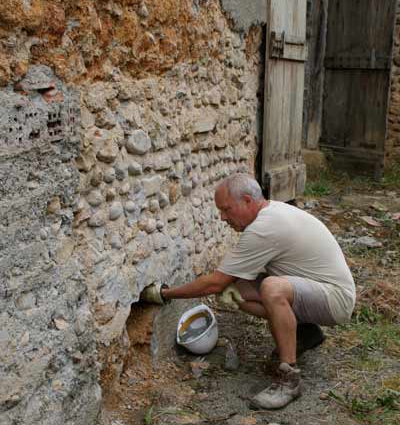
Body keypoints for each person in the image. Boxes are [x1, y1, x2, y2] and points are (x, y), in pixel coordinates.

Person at [141, 173, 356, 409]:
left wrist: (165, 294)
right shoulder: (270, 213)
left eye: (226, 209)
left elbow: (215, 283)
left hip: (336, 300)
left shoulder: (264, 227)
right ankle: (305, 333)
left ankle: (289, 380)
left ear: (247, 200)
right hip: (318, 289)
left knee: (272, 288)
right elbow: (227, 280)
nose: (223, 217)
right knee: (239, 288)